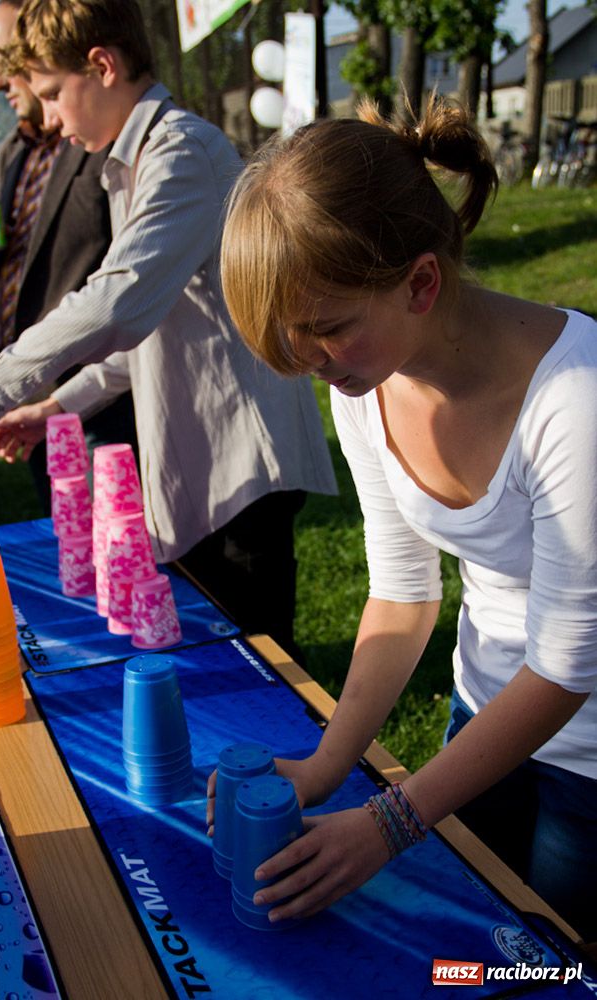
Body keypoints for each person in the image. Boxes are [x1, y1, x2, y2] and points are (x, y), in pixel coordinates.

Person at [212, 96, 597, 940]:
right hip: (482, 711)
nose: (312, 366)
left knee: (548, 964)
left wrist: (390, 820)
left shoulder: (577, 401)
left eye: (327, 331)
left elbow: (569, 667)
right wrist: (327, 766)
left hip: (589, 759)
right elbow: (401, 590)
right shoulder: (366, 377)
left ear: (422, 281)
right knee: (465, 948)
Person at [0, 0, 336, 657]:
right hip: (206, 453)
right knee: (214, 648)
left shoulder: (180, 154)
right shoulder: (140, 160)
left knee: (255, 663)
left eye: (57, 95)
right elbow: (150, 329)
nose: (55, 121)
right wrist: (57, 405)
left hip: (240, 462)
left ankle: (296, 761)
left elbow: (112, 306)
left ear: (103, 65)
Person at [0, 0, 137, 514]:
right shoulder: (10, 152)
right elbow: (5, 264)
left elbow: (123, 278)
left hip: (93, 386)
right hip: (24, 388)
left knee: (114, 536)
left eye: (5, 62)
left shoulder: (98, 135)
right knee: (67, 538)